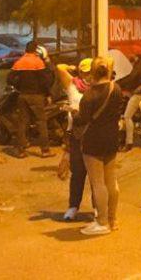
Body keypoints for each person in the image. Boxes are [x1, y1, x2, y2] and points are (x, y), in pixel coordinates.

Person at [73, 56, 125, 235]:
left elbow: (82, 119)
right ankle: (113, 219)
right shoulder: (115, 88)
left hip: (93, 140)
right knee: (111, 180)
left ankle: (102, 222)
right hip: (111, 139)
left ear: (93, 73)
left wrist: (73, 114)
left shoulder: (89, 95)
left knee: (98, 182)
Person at [56, 58, 91, 221]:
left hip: (93, 135)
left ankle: (98, 208)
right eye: (85, 72)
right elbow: (59, 67)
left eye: (91, 72)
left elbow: (110, 63)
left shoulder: (99, 88)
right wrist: (73, 67)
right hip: (75, 135)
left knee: (95, 175)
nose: (88, 75)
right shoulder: (73, 87)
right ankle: (73, 206)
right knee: (77, 173)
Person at [9, 41, 55, 158]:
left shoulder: (19, 62)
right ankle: (45, 151)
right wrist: (48, 94)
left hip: (22, 96)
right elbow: (45, 82)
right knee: (41, 122)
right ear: (36, 50)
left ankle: (20, 151)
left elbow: (10, 79)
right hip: (37, 96)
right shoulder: (38, 62)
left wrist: (18, 86)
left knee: (23, 123)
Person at [117, 53, 141, 152]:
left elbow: (131, 78)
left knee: (127, 116)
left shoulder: (138, 67)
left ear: (136, 58)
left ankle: (129, 142)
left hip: (138, 95)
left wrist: (119, 83)